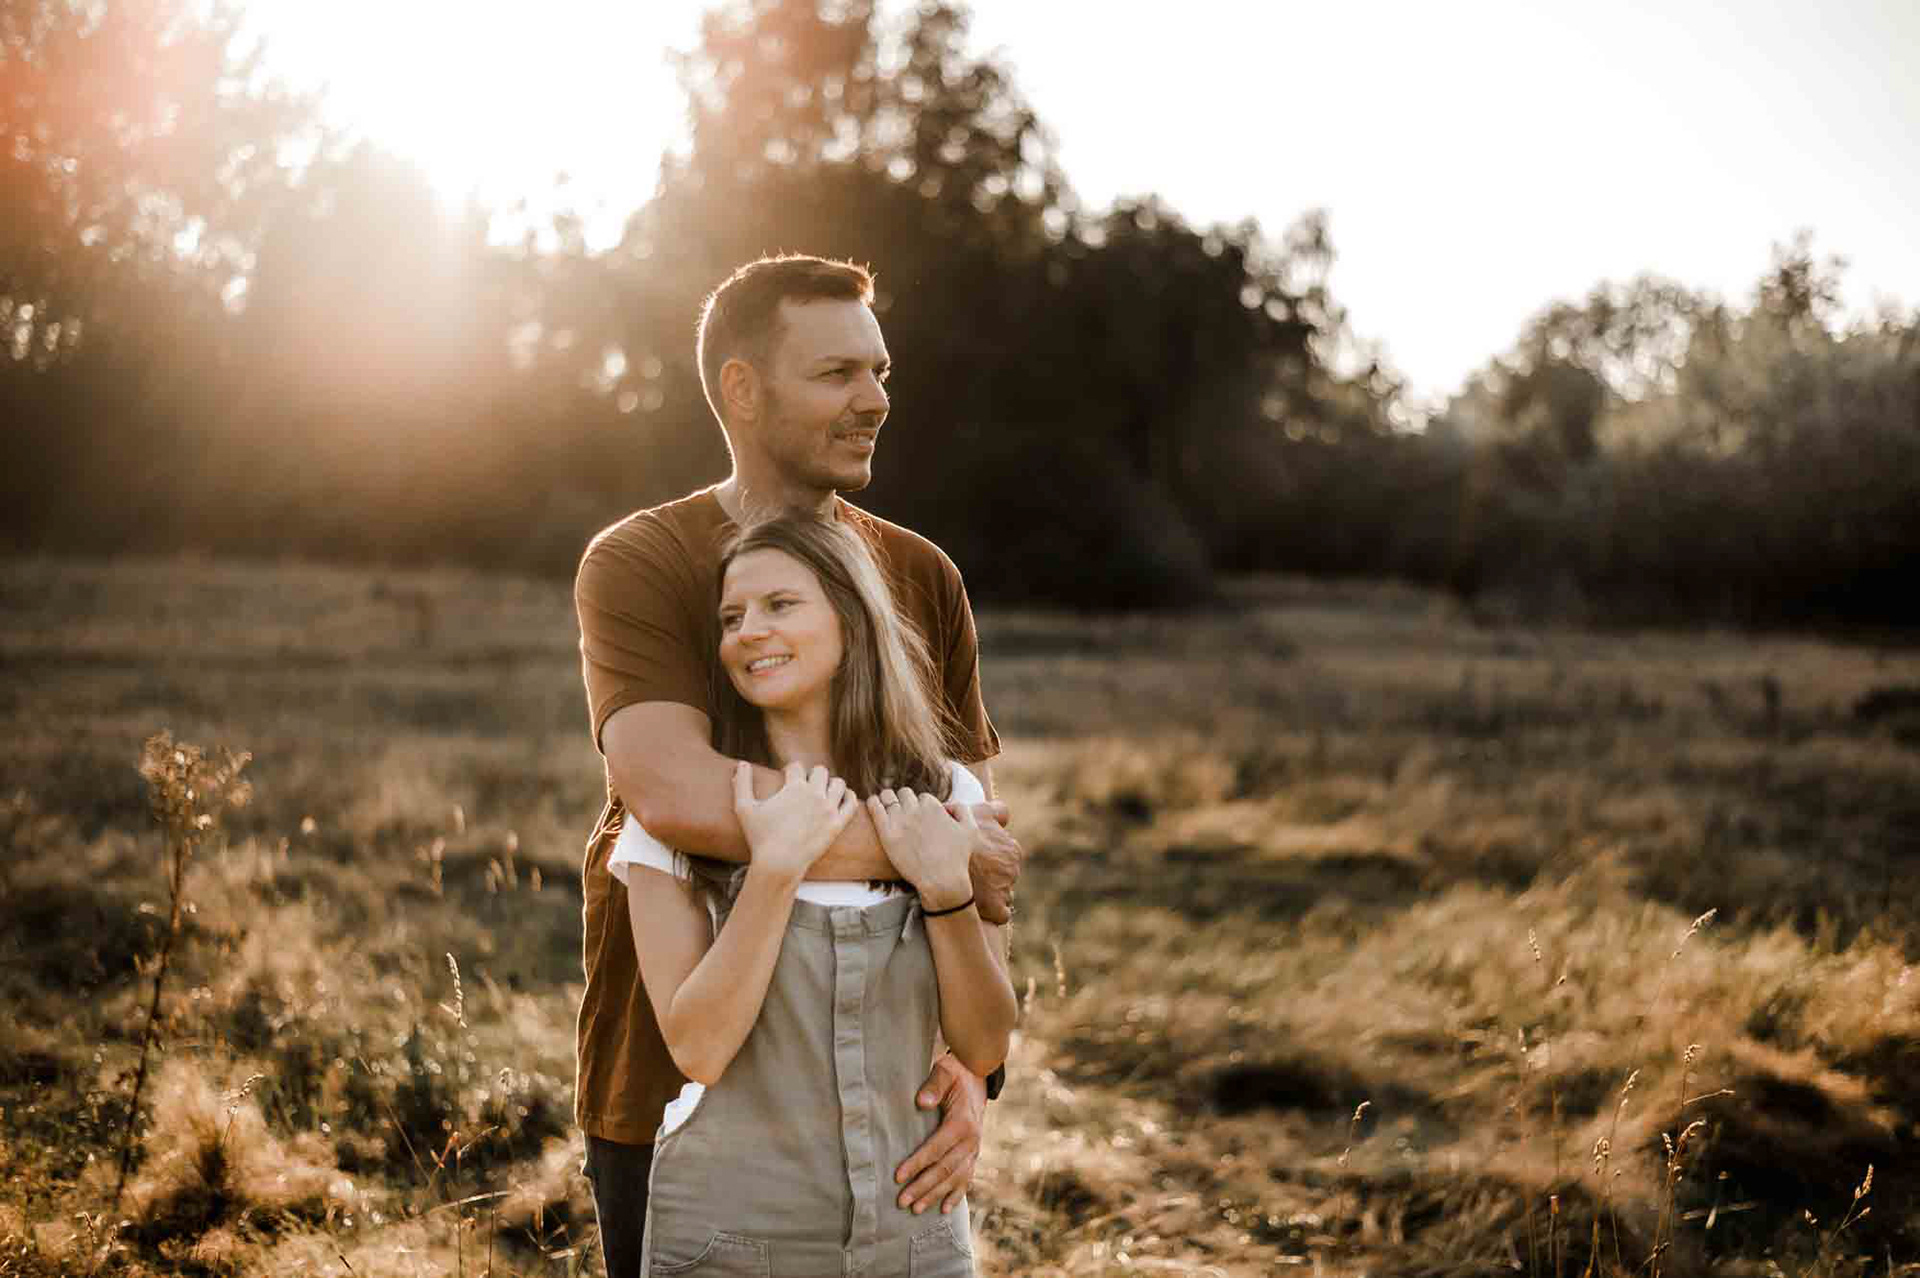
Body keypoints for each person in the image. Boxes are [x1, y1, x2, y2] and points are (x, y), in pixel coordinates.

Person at [572, 254, 1023, 1278]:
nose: (874, 401)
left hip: (889, 1098)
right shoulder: (642, 560)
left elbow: (983, 862)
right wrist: (925, 848)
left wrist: (971, 1064)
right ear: (742, 389)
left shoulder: (922, 575)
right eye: (837, 375)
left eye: (881, 373)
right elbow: (675, 794)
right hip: (681, 1091)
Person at [609, 514, 1017, 1275]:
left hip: (919, 1236)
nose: (748, 632)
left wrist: (944, 890)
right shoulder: (683, 819)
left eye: (779, 606)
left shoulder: (946, 798)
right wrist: (772, 871)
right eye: (732, 618)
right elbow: (698, 1047)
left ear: (851, 617)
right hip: (732, 1243)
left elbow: (985, 1044)